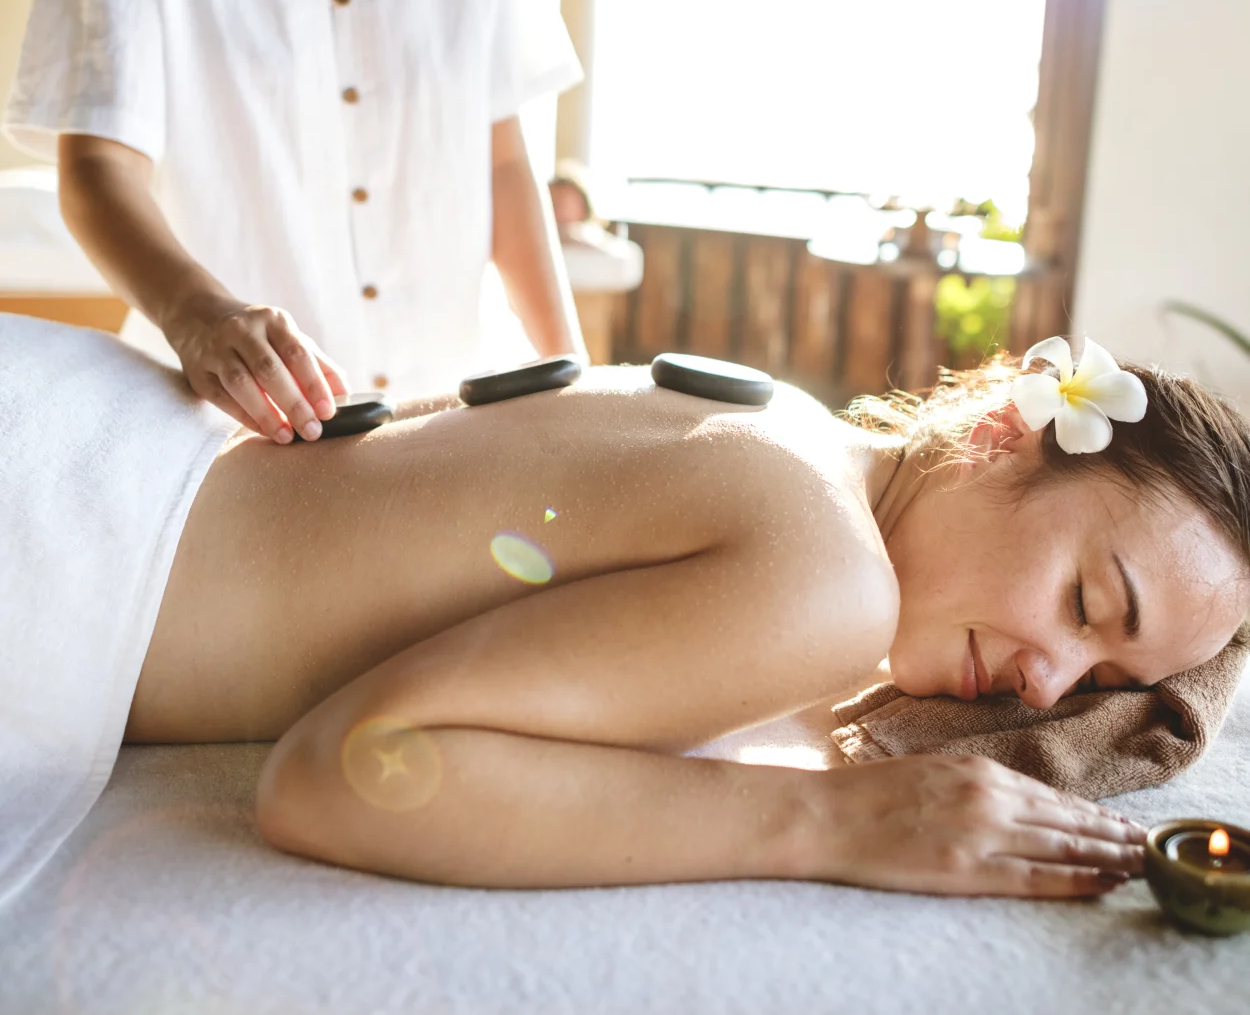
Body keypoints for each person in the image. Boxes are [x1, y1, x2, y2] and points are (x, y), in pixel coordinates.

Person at [99, 331, 1248, 898]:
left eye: (1099, 685)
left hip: (97, 426)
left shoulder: (782, 422)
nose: (1045, 686)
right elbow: (340, 774)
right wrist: (837, 821)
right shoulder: (834, 577)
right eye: (1085, 601)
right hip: (65, 538)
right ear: (1001, 431)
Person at [2, 0, 585, 447]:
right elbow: (98, 168)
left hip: (449, 422)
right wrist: (201, 315)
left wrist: (573, 382)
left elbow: (503, 162)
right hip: (231, 437)